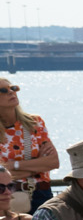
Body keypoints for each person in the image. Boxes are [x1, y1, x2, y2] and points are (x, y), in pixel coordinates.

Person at [0, 79, 57, 212]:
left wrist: (13, 166)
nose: (11, 92)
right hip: (5, 197)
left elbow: (53, 162)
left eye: (13, 88)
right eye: (3, 90)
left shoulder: (34, 122)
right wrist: (37, 166)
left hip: (40, 194)